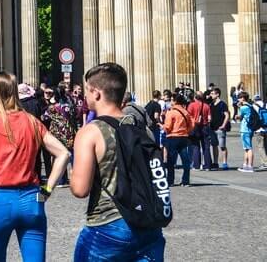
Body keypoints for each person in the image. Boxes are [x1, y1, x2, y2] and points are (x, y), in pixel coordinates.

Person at [70, 62, 165, 261]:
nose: (85, 96)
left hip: (107, 225)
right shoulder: (142, 128)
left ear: (96, 93)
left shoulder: (90, 132)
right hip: (148, 223)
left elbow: (80, 189)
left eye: (87, 90)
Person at [0, 72, 71, 262]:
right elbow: (63, 154)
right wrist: (48, 188)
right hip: (31, 199)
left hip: (0, 199)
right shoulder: (33, 122)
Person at [161, 93, 194, 185]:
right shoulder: (185, 112)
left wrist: (162, 126)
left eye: (172, 100)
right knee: (185, 160)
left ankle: (170, 180)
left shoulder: (171, 112)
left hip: (172, 137)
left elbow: (167, 127)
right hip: (183, 137)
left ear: (175, 101)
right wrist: (186, 131)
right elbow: (192, 124)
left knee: (170, 160)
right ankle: (186, 180)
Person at [186, 91, 212, 171]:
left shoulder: (191, 105)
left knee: (195, 146)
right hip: (204, 126)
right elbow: (209, 118)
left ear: (195, 97)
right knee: (206, 147)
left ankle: (196, 165)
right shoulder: (207, 106)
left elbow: (188, 116)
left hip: (195, 127)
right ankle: (207, 165)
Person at [208, 87, 230, 169]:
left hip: (220, 128)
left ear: (217, 94)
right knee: (214, 145)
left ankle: (225, 162)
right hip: (212, 127)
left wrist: (223, 125)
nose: (211, 95)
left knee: (222, 146)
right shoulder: (211, 104)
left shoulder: (222, 104)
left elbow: (227, 115)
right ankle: (215, 162)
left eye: (212, 93)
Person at [236, 91, 256, 172]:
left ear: (243, 98)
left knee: (248, 148)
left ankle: (250, 166)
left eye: (239, 98)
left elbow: (239, 117)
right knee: (246, 148)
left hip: (245, 129)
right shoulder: (250, 106)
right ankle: (245, 165)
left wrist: (238, 112)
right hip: (250, 129)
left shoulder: (243, 108)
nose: (238, 99)